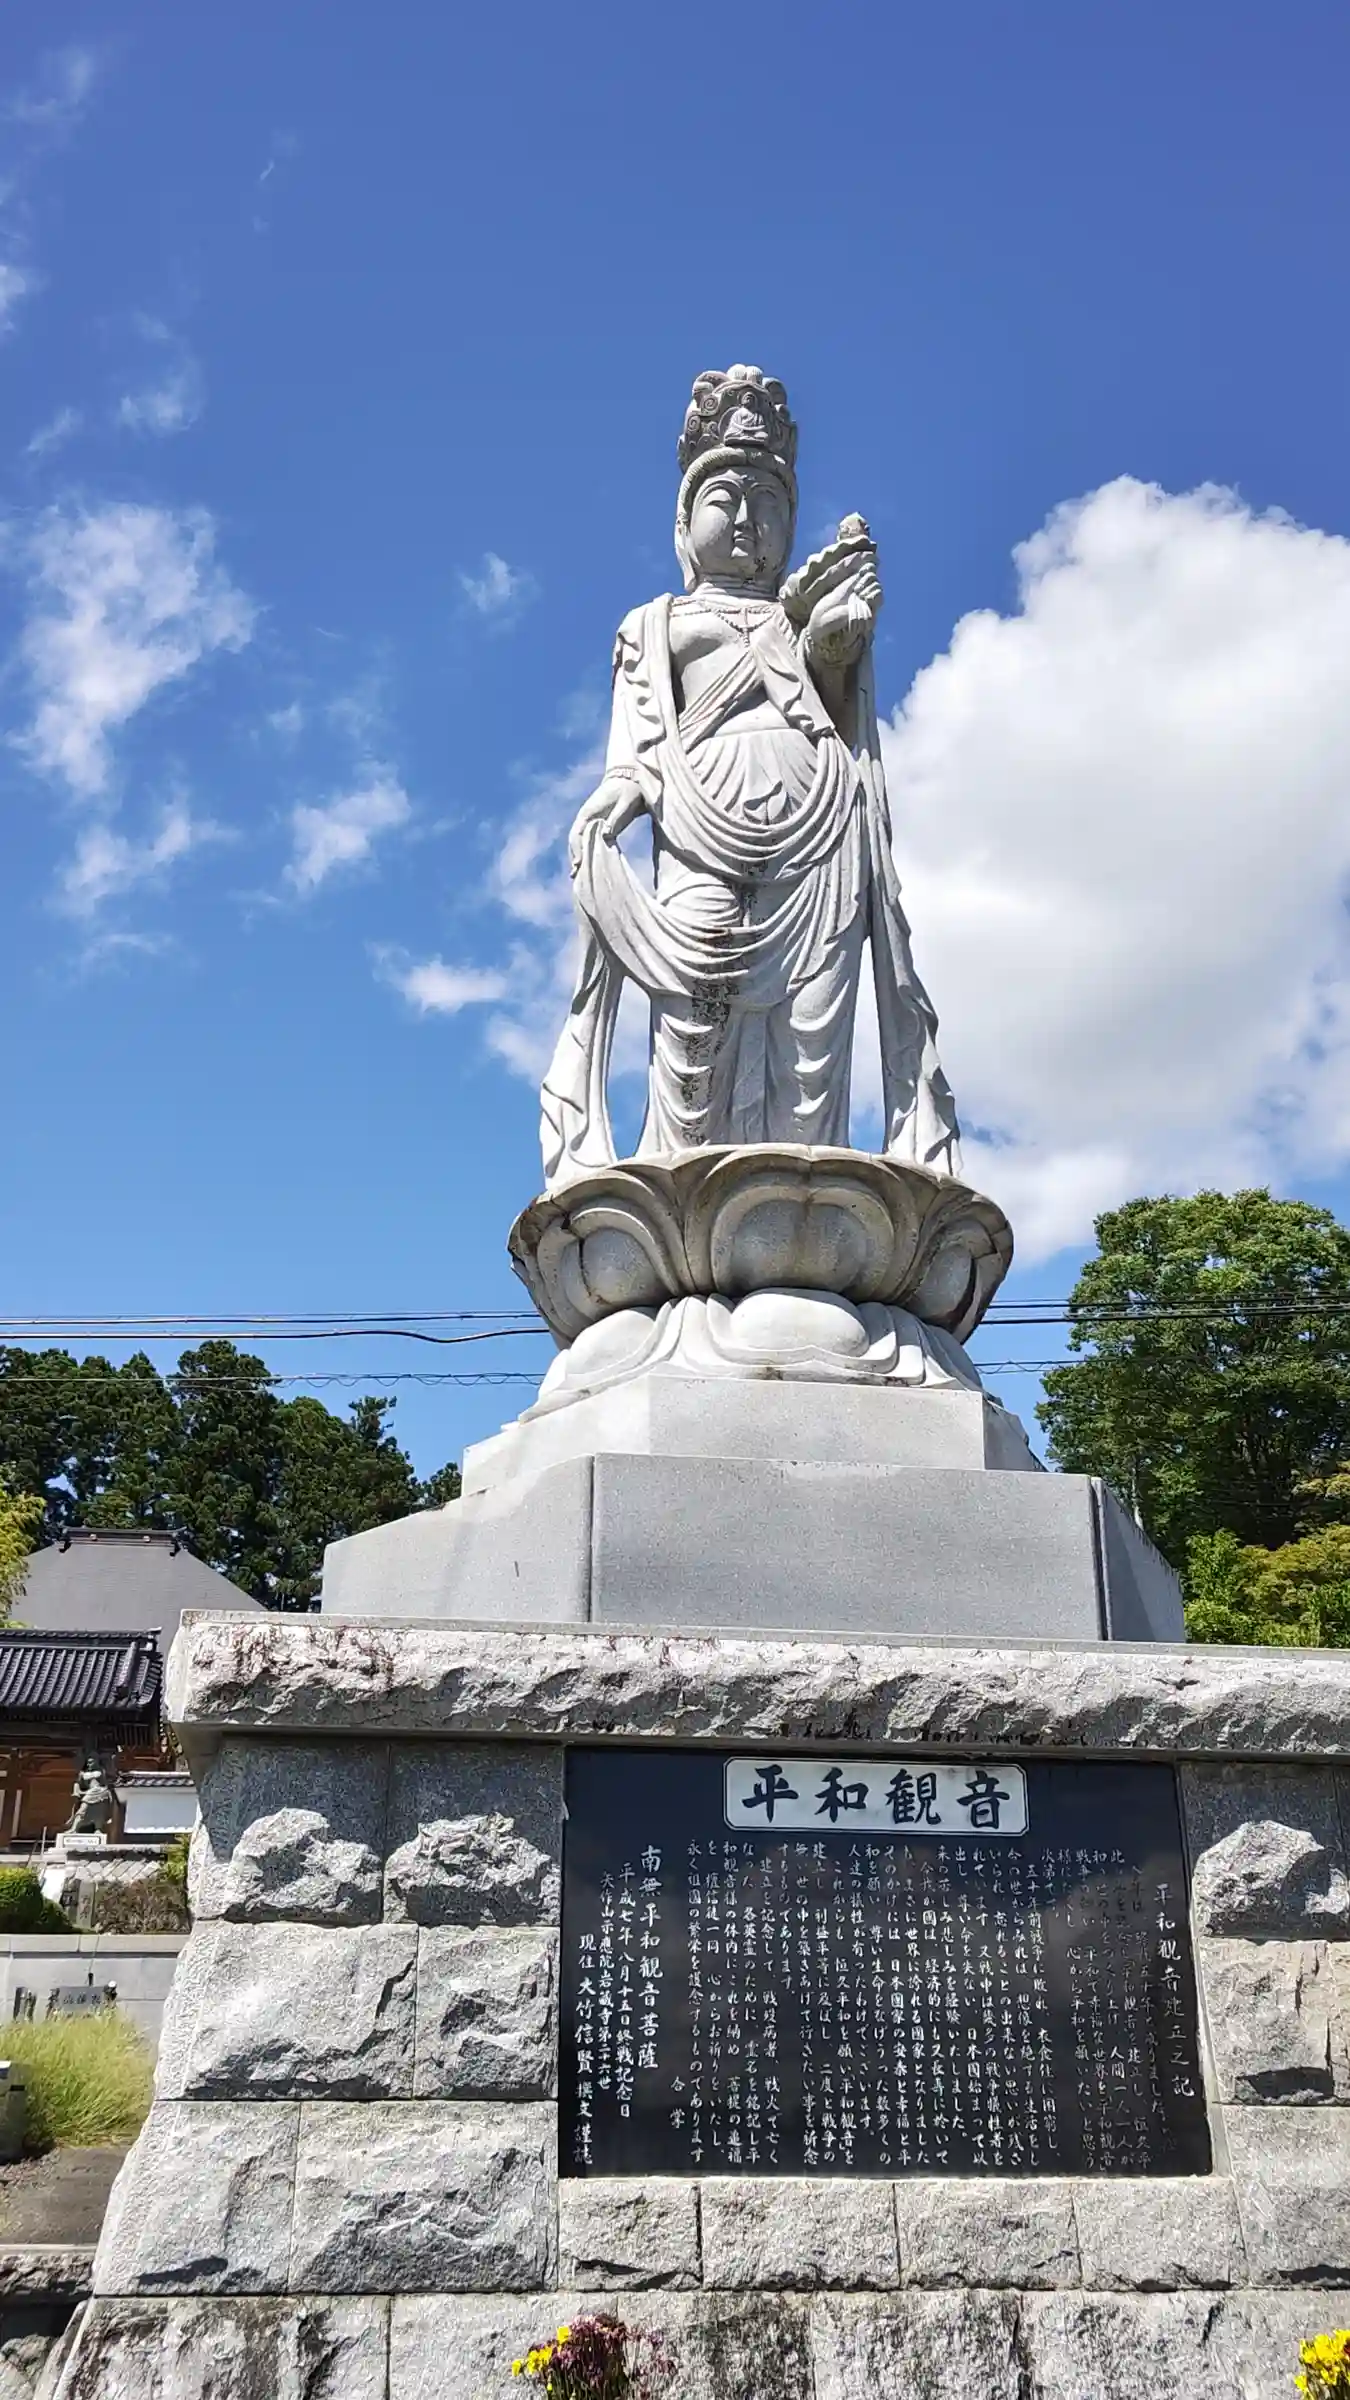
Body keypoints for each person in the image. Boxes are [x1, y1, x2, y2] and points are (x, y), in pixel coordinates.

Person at [540, 364, 961, 1192]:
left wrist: (833, 646)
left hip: (819, 831)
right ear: (684, 521)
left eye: (767, 503)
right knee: (693, 1031)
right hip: (698, 824)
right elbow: (636, 748)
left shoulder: (799, 613)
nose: (745, 521)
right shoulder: (657, 624)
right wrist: (612, 803)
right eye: (724, 500)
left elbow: (836, 717)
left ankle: (804, 1200)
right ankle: (686, 1195)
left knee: (812, 1042)